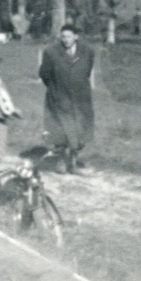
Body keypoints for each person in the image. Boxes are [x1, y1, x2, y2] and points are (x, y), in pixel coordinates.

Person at [39, 23, 96, 174]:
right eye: (63, 37)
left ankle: (73, 162)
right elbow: (44, 74)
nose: (66, 40)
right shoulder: (51, 52)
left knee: (80, 128)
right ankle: (62, 162)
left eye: (69, 36)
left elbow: (87, 71)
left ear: (76, 37)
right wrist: (56, 87)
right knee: (61, 129)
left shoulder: (87, 51)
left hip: (80, 97)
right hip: (59, 96)